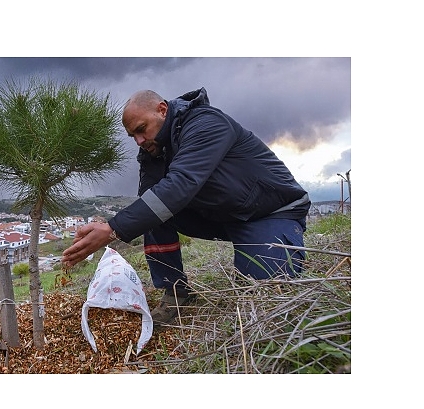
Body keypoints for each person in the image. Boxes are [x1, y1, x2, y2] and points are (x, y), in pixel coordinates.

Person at [62, 88, 311, 325]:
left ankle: (273, 248)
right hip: (225, 216)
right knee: (151, 211)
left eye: (141, 130)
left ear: (162, 110)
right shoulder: (154, 150)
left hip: (270, 213)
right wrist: (112, 226)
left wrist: (112, 229)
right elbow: (150, 200)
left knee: (261, 301)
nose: (138, 141)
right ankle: (176, 294)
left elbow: (180, 185)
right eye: (133, 136)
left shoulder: (206, 123)